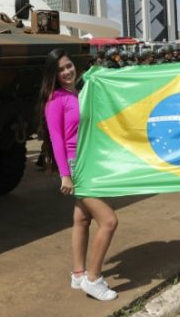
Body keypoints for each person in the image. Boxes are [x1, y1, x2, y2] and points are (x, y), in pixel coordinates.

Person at [37, 49, 119, 301]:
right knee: (108, 221)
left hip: (87, 162)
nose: (67, 72)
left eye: (69, 66)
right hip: (76, 166)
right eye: (61, 69)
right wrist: (65, 175)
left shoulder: (78, 92)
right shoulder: (55, 99)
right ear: (54, 74)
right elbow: (57, 139)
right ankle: (93, 279)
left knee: (82, 220)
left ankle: (78, 274)